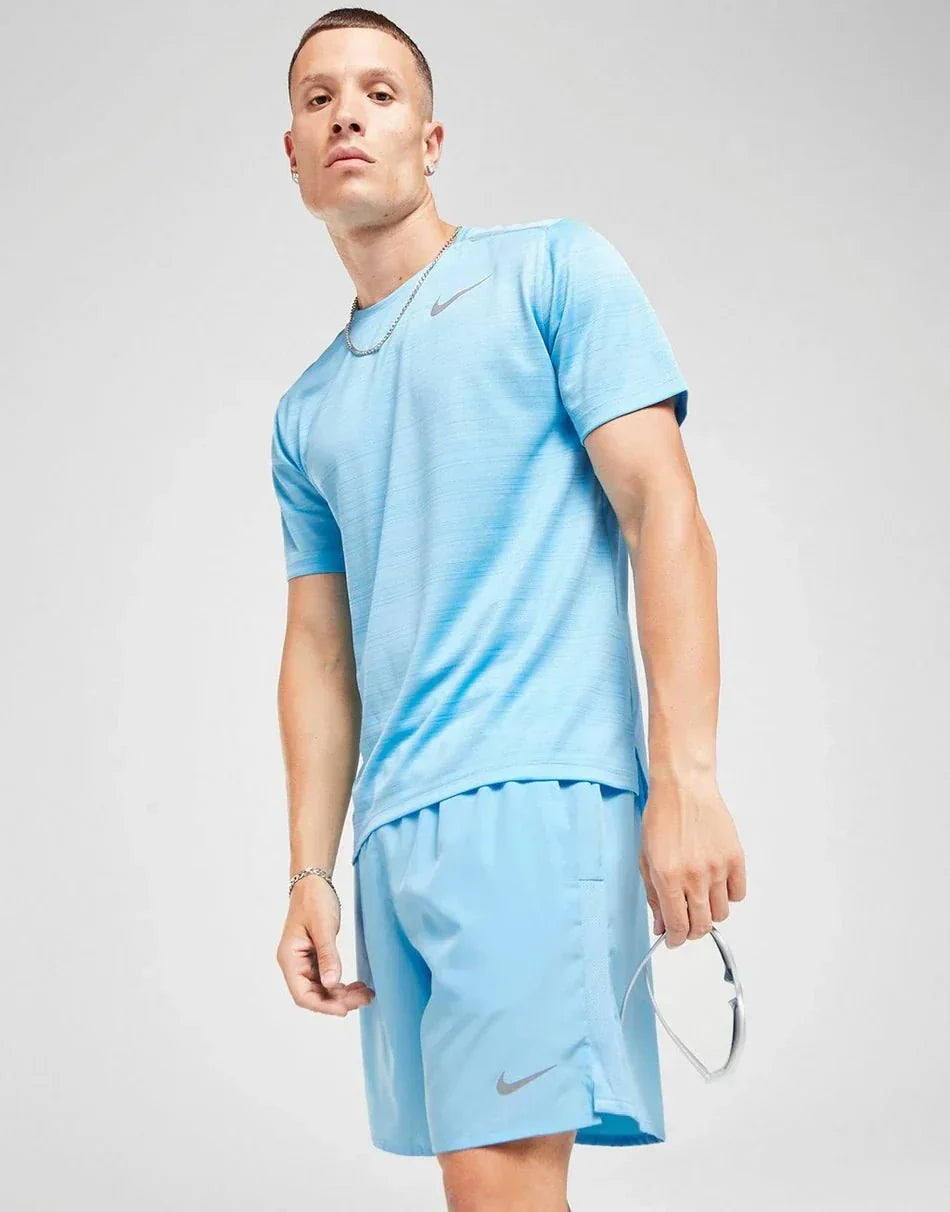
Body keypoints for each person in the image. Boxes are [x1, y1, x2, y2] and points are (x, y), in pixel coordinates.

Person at [271, 8, 748, 1210]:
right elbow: (319, 652)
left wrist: (685, 777)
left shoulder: (550, 271)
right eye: (319, 98)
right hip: (393, 832)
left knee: (498, 1187)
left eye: (377, 93)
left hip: (534, 794)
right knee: (477, 1186)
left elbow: (662, 511)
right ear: (292, 153)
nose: (345, 115)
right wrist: (309, 873)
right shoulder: (305, 412)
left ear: (430, 139)